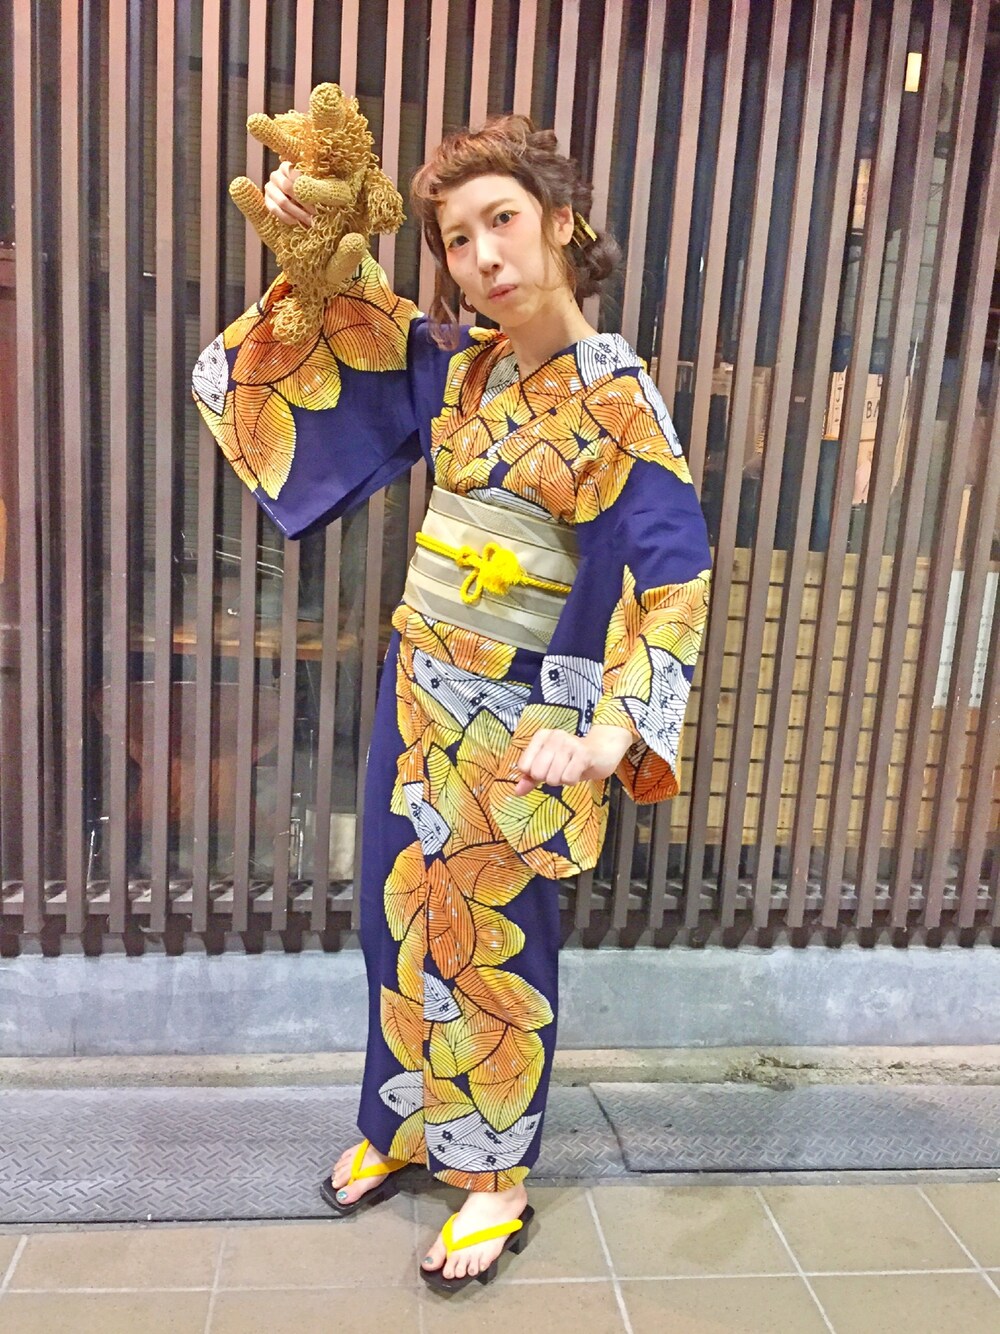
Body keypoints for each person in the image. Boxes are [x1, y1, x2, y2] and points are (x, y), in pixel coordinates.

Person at [193, 113, 712, 1293]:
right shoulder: (465, 365)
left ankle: (496, 1177)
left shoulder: (619, 400)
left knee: (492, 939)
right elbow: (355, 330)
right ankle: (401, 1119)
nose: (482, 256)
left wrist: (612, 729)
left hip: (519, 720)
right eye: (458, 237)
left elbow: (671, 568)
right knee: (396, 913)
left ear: (561, 223)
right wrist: (317, 251)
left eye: (503, 220)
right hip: (416, 693)